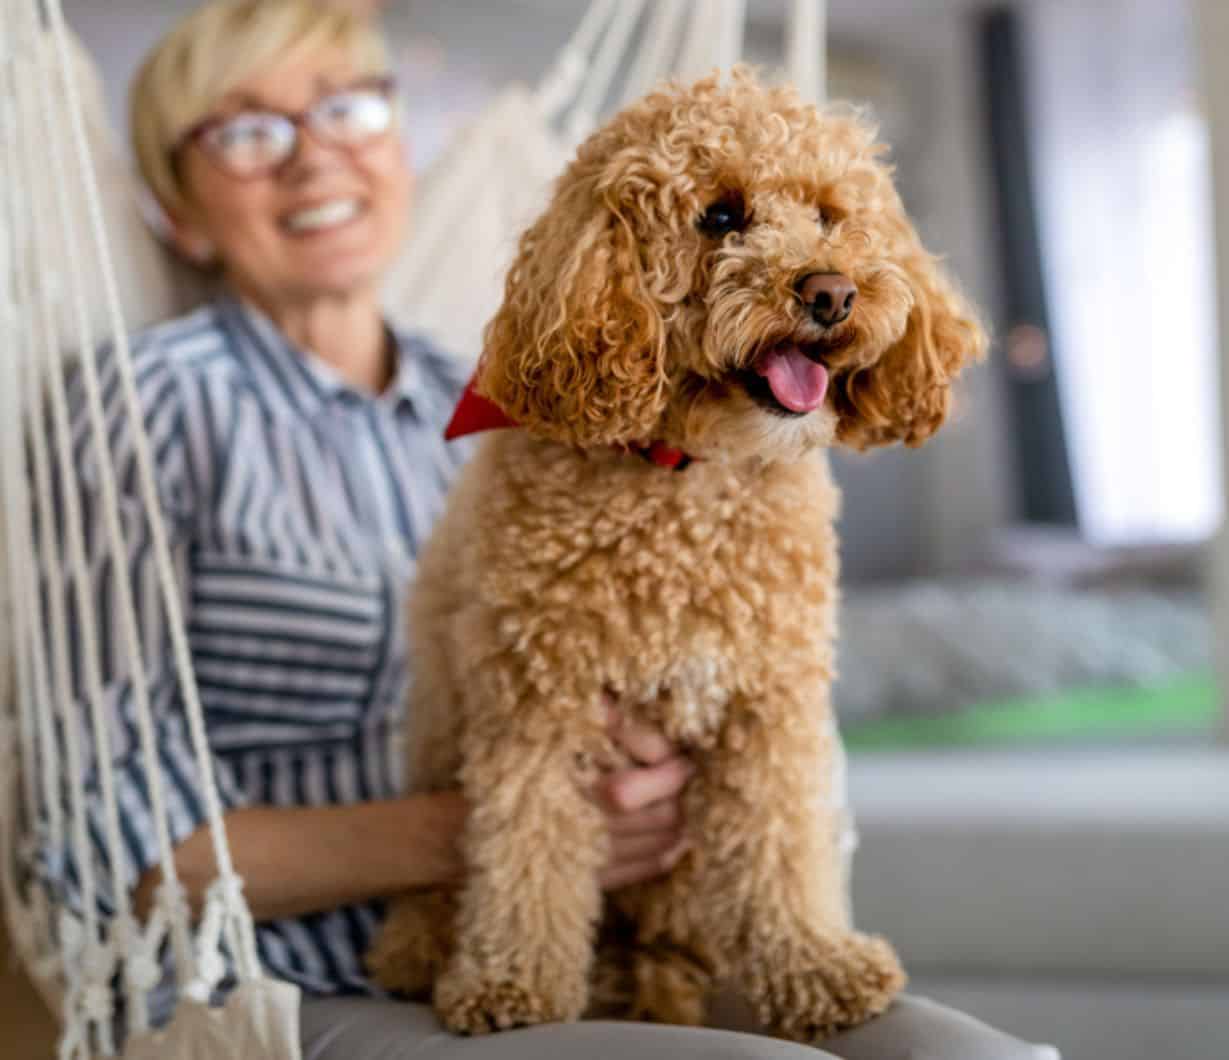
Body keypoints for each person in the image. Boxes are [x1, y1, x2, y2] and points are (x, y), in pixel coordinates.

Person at [48, 1, 1047, 1056]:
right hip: (295, 977)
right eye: (247, 131)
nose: (314, 159)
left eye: (349, 108)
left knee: (960, 1054)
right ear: (175, 209)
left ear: (400, 143)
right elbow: (101, 839)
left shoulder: (467, 392)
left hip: (669, 926)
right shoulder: (144, 409)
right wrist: (474, 835)